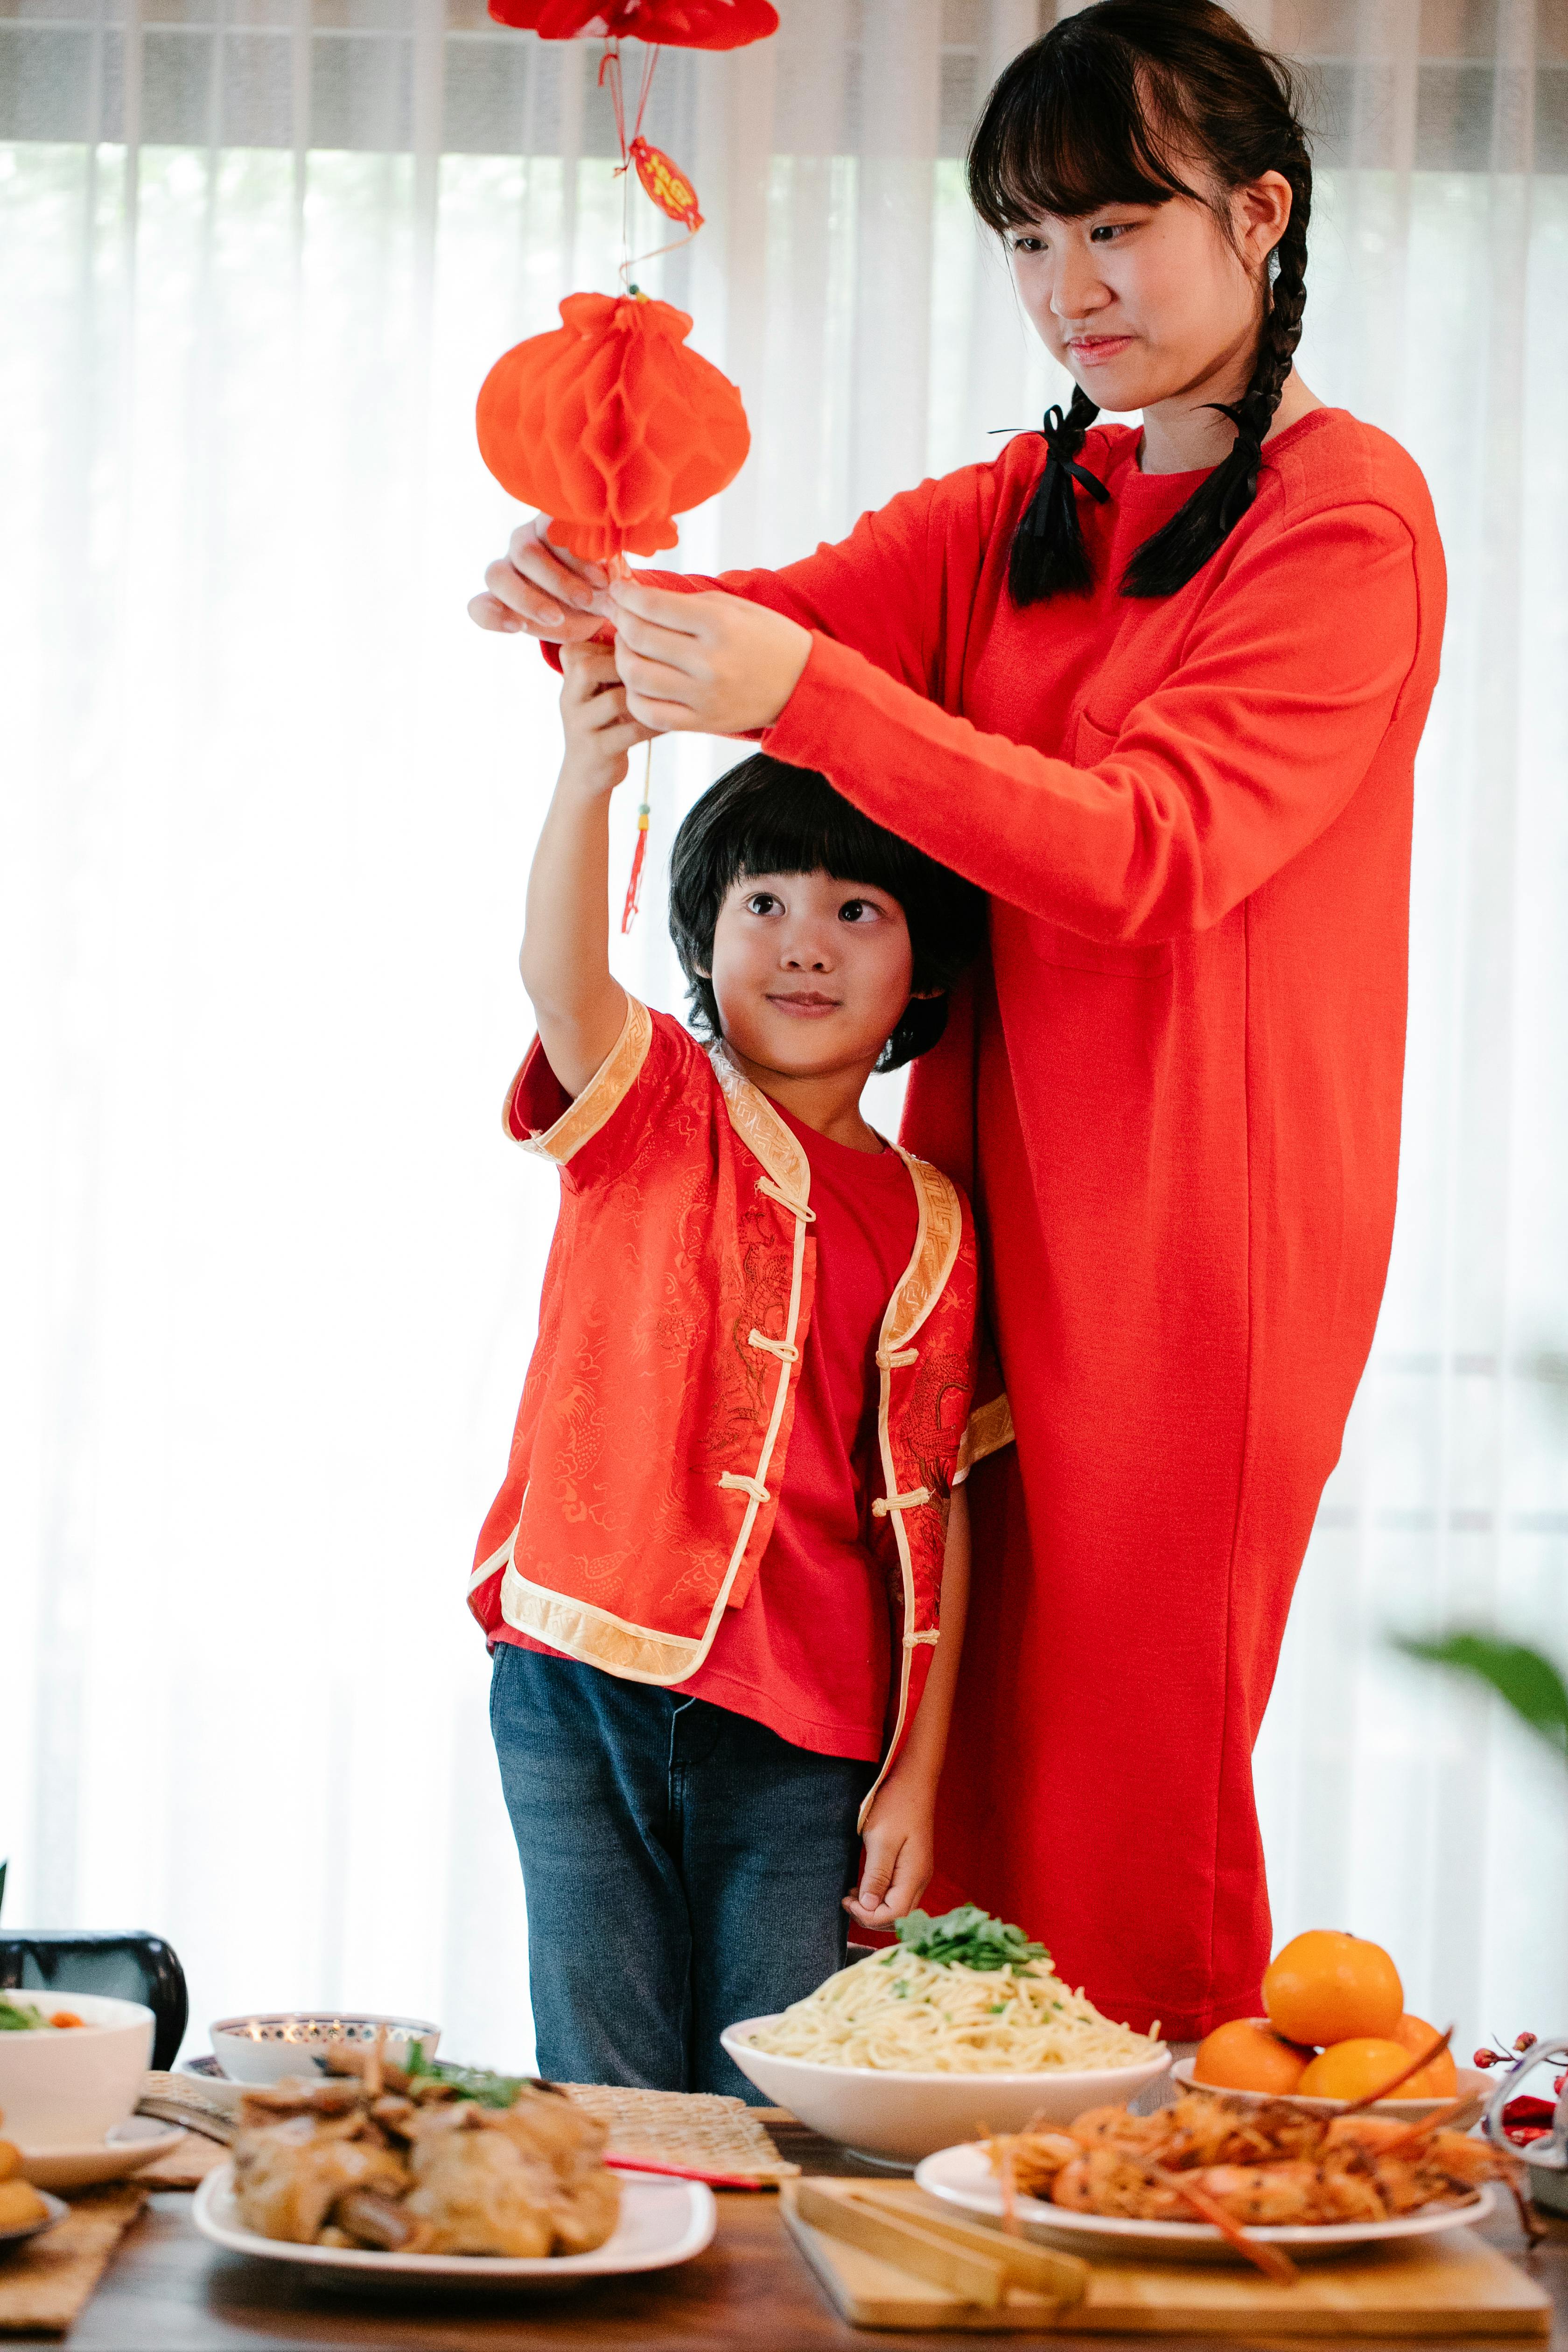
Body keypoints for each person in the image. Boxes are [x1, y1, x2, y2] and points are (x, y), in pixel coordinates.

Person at [469, 0, 1448, 2044]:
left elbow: (1147, 851)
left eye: (1118, 226)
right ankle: (919, 2228)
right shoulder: (1024, 506)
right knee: (930, 1725)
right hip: (968, 1194)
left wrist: (779, 684)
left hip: (1196, 1233)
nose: (1067, 288)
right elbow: (782, 621)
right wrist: (593, 598)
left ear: (1260, 215)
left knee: (1122, 1775)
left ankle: (1141, 2210)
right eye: (1024, 237)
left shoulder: (1344, 520)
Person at [471, 640, 997, 2097]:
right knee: (608, 2093)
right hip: (578, 1673)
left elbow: (934, 1509)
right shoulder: (652, 1106)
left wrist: (918, 1774)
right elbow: (558, 977)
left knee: (779, 2102)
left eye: (855, 908)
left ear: (926, 959)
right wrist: (592, 774)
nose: (802, 942)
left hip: (809, 1733)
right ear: (704, 937)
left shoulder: (940, 1219)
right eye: (760, 903)